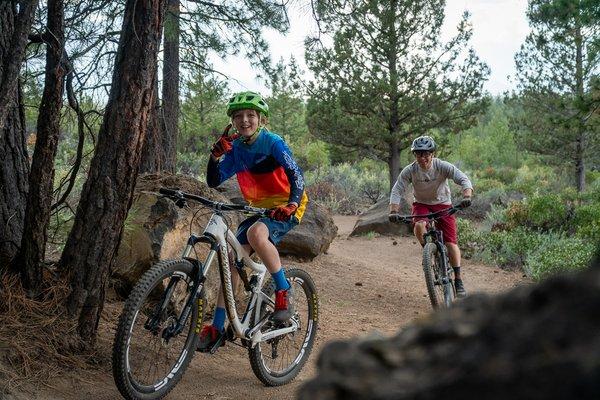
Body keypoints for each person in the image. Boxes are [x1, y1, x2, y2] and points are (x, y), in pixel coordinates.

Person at [198, 91, 309, 352]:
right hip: (259, 209)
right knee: (232, 263)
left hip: (286, 205)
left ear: (261, 119)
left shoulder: (273, 143)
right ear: (232, 122)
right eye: (238, 116)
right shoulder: (236, 148)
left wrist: (292, 203)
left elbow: (297, 175)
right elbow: (214, 181)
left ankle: (284, 291)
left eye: (250, 115)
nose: (244, 120)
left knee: (257, 235)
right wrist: (214, 158)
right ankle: (218, 326)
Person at [389, 135, 473, 298]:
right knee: (419, 226)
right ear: (415, 155)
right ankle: (427, 251)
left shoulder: (442, 166)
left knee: (450, 243)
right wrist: (393, 211)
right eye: (419, 154)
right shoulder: (411, 170)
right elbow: (397, 189)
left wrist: (467, 196)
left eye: (426, 154)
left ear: (432, 154)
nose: (423, 157)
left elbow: (463, 178)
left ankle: (458, 279)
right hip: (421, 204)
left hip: (443, 204)